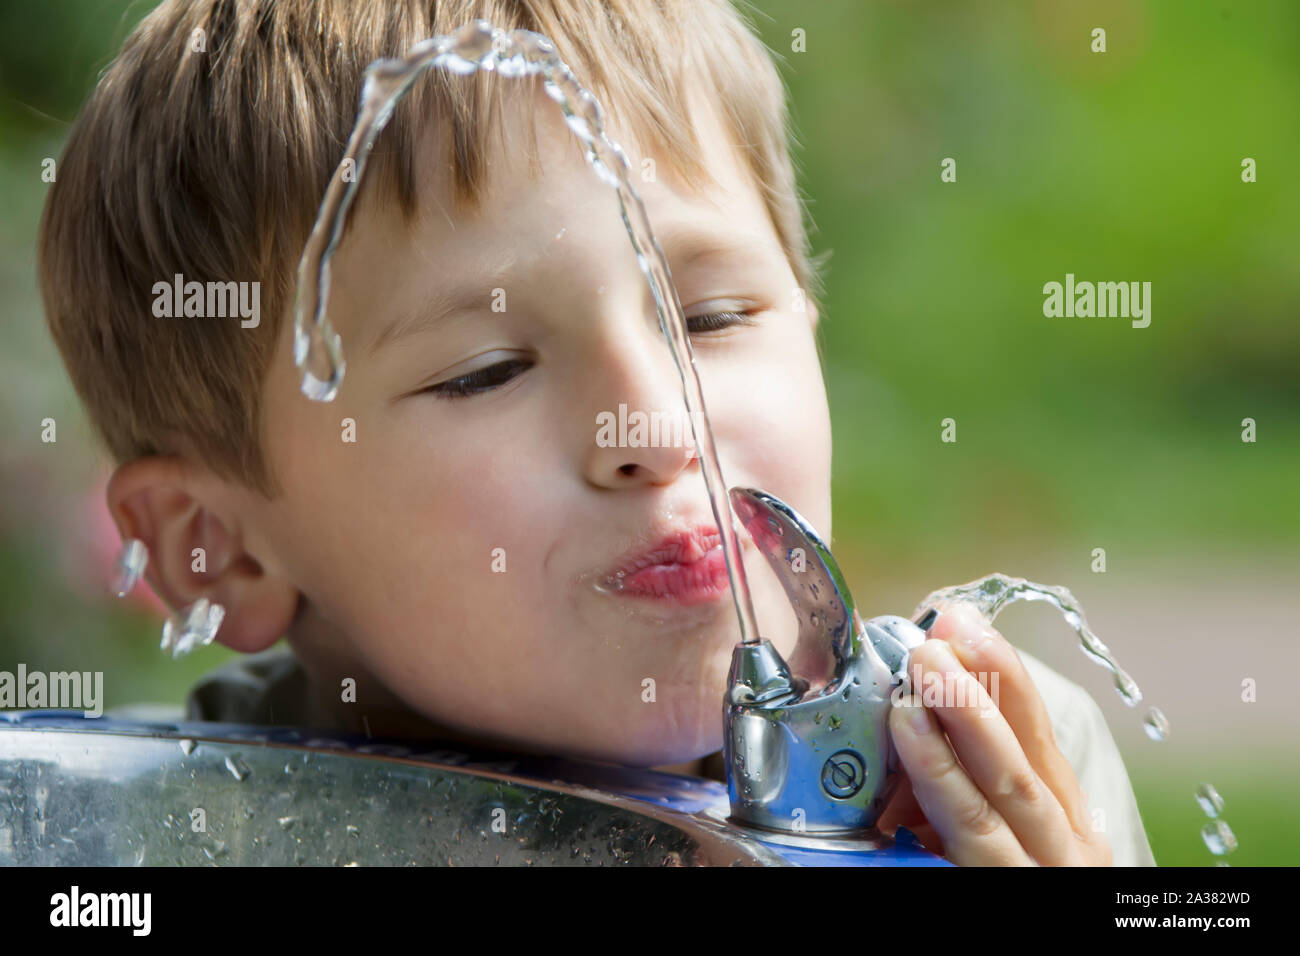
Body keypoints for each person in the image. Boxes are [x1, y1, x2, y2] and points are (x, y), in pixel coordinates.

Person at [38, 0, 1154, 866]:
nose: (657, 428)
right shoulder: (193, 832)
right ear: (213, 545)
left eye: (711, 316)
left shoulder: (989, 772)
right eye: (484, 372)